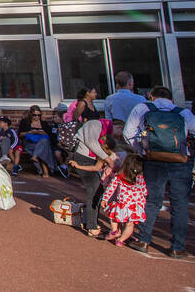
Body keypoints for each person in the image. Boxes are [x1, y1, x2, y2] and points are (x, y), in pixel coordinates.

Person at [123, 86, 195, 257]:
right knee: (180, 204)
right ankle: (177, 247)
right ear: (171, 99)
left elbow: (128, 134)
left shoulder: (143, 108)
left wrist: (142, 151)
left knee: (153, 201)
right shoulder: (183, 112)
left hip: (154, 160)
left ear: (152, 97)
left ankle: (143, 240)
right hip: (180, 161)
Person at [70, 99, 117, 237]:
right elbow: (91, 142)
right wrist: (108, 158)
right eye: (120, 128)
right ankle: (91, 225)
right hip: (83, 157)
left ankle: (89, 220)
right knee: (93, 190)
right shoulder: (96, 124)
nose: (120, 132)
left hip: (90, 158)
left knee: (98, 191)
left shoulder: (105, 130)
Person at [100, 153, 148, 247]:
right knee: (130, 225)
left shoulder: (119, 176)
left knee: (113, 216)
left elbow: (111, 188)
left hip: (122, 203)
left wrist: (105, 199)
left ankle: (114, 230)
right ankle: (120, 240)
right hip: (135, 206)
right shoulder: (140, 179)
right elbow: (145, 192)